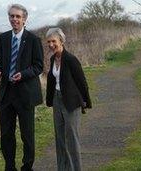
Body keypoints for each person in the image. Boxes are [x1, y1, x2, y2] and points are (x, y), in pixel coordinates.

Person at [0, 4, 44, 171]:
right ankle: (9, 166)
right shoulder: (3, 38)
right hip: (6, 94)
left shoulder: (33, 40)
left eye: (17, 17)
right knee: (6, 134)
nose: (14, 19)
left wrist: (23, 74)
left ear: (24, 19)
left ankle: (27, 167)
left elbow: (38, 66)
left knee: (27, 135)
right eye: (12, 16)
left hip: (25, 94)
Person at [45, 28, 92, 171]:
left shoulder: (71, 59)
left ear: (61, 41)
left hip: (71, 103)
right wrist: (49, 100)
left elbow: (82, 82)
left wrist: (85, 102)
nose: (51, 44)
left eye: (54, 41)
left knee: (71, 139)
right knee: (59, 139)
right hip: (57, 100)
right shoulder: (53, 59)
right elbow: (52, 80)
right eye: (48, 42)